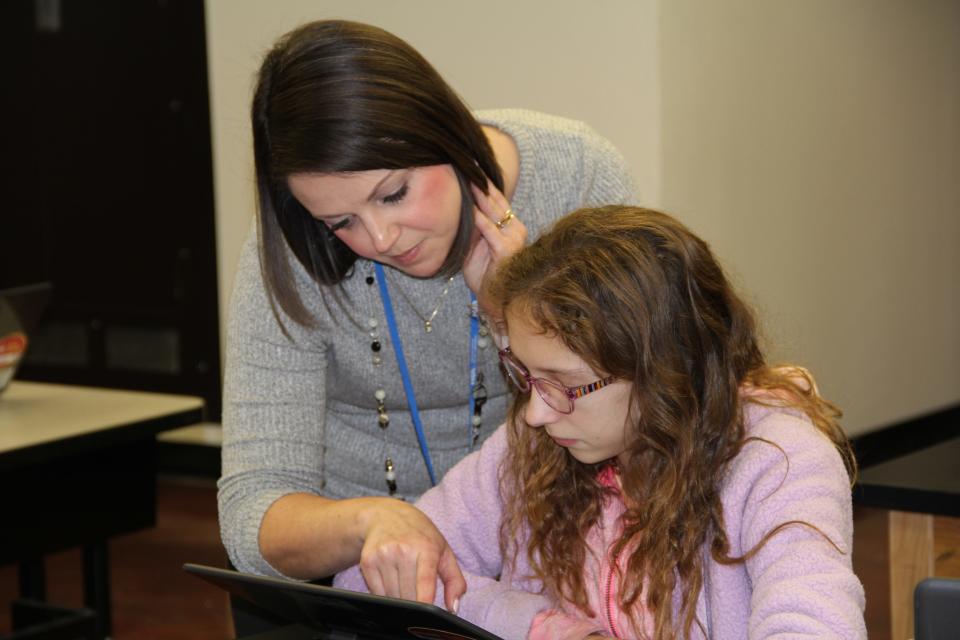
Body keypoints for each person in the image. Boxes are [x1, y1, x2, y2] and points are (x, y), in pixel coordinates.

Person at [217, 17, 639, 605]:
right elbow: (251, 511)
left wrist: (509, 318)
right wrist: (370, 522)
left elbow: (630, 409)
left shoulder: (576, 178)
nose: (381, 237)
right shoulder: (294, 250)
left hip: (550, 561)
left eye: (393, 194)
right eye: (341, 223)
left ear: (446, 131)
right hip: (352, 581)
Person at [335, 206, 867, 639]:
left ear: (664, 370)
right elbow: (365, 580)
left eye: (565, 384)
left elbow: (816, 626)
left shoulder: (778, 460)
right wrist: (545, 628)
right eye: (527, 375)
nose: (537, 413)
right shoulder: (535, 441)